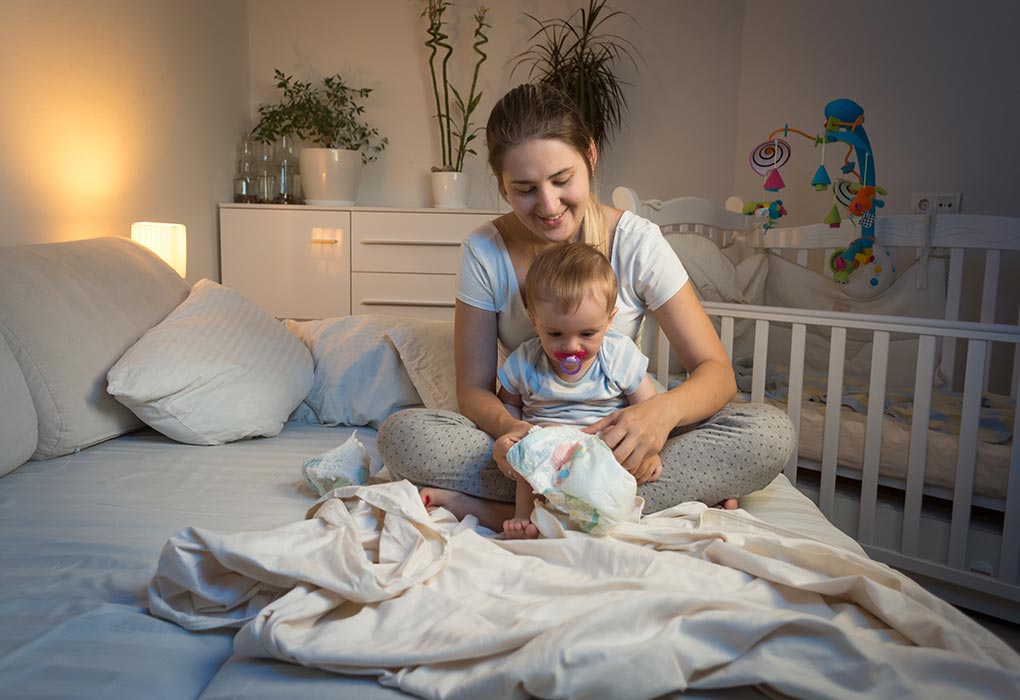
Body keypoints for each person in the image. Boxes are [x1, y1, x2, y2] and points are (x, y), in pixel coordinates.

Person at [378, 82, 795, 533]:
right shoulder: (485, 251)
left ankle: (526, 507)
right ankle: (627, 499)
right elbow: (474, 390)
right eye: (525, 189)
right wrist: (509, 434)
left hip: (619, 442)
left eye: (562, 180)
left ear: (591, 157)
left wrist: (660, 416)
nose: (549, 205)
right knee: (403, 435)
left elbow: (717, 372)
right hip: (535, 443)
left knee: (768, 433)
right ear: (501, 185)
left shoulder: (637, 242)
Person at [497, 242, 658, 539]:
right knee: (525, 454)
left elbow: (650, 410)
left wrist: (650, 451)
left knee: (636, 471)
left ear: (609, 321)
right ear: (534, 320)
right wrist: (513, 438)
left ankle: (588, 510)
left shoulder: (618, 356)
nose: (571, 347)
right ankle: (523, 516)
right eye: (555, 334)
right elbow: (507, 404)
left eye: (587, 334)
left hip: (602, 448)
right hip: (546, 450)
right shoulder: (525, 360)